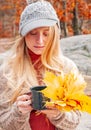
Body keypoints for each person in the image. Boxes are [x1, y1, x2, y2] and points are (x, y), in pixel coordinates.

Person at [0, 0, 81, 130]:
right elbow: (4, 123)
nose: (40, 40)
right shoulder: (7, 71)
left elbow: (75, 120)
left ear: (54, 34)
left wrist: (58, 114)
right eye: (33, 33)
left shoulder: (67, 68)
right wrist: (18, 112)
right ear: (23, 35)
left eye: (46, 33)